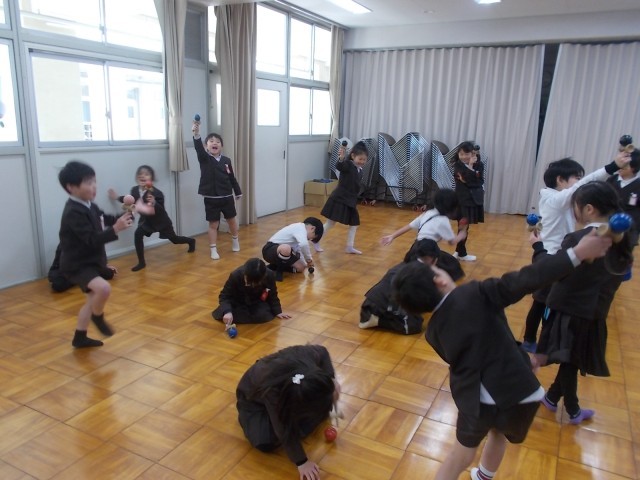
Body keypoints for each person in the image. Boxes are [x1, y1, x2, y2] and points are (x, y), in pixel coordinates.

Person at [391, 228, 613, 480]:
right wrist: (577, 253)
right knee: (499, 434)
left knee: (460, 455)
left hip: (473, 400)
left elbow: (473, 352)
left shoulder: (432, 332)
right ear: (439, 281)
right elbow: (527, 278)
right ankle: (484, 476)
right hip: (517, 392)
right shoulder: (476, 293)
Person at [534, 181, 633, 425]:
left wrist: (537, 247)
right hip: (595, 310)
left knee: (570, 359)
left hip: (568, 309)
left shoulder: (579, 238)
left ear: (589, 209)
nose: (574, 212)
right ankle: (552, 398)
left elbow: (556, 270)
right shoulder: (623, 240)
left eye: (575, 207)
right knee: (573, 356)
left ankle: (573, 410)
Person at [521, 151, 632, 352]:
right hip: (549, 256)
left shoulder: (560, 200)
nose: (580, 182)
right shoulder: (553, 199)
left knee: (548, 303)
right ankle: (530, 340)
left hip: (562, 255)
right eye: (577, 178)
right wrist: (611, 167)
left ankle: (545, 341)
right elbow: (581, 188)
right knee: (541, 302)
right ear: (560, 180)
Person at [57, 160, 133, 348]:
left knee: (91, 300)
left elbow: (107, 219)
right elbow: (91, 239)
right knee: (103, 289)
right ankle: (97, 317)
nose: (94, 186)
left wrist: (128, 213)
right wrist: (116, 228)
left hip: (91, 261)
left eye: (94, 181)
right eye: (88, 182)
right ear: (71, 187)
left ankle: (80, 337)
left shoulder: (90, 205)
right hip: (76, 264)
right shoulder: (73, 212)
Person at [236, 344, 340, 480]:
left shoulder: (308, 356)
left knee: (321, 410)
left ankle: (308, 416)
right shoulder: (272, 390)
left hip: (282, 390)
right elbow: (282, 426)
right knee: (264, 441)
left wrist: (331, 380)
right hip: (254, 404)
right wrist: (301, 462)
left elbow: (323, 351)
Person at [360, 238, 463, 334]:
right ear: (432, 259)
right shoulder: (415, 272)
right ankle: (376, 319)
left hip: (377, 302)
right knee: (413, 326)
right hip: (374, 307)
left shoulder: (413, 264)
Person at [108, 165, 195, 272]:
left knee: (175, 240)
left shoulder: (157, 193)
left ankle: (191, 241)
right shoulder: (134, 190)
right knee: (138, 234)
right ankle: (141, 263)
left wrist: (154, 202)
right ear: (137, 177)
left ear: (152, 179)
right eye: (140, 174)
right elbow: (129, 201)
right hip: (147, 222)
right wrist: (116, 197)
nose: (142, 176)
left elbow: (160, 210)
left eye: (146, 174)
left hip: (161, 221)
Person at [380, 188, 466, 274]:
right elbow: (451, 242)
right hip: (428, 250)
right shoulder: (443, 220)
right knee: (451, 266)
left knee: (413, 269)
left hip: (416, 247)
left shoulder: (428, 213)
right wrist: (461, 234)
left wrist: (392, 236)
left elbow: (409, 226)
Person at [192, 120, 242, 260]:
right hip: (211, 198)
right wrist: (196, 133)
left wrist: (237, 191)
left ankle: (235, 239)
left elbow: (231, 177)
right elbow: (198, 148)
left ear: (221, 146)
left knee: (232, 221)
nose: (215, 143)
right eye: (211, 141)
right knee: (213, 224)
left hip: (227, 197)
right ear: (206, 146)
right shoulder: (204, 158)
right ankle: (213, 249)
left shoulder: (226, 160)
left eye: (218, 142)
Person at [315, 141, 368, 254]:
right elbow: (340, 166)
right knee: (330, 223)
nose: (362, 162)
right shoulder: (348, 165)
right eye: (360, 159)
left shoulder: (360, 170)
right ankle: (316, 240)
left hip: (350, 201)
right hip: (339, 199)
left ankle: (349, 247)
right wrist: (341, 158)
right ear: (353, 156)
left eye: (364, 160)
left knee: (354, 224)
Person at [212, 258, 291, 328]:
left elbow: (272, 294)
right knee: (228, 313)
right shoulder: (235, 275)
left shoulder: (269, 275)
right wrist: (227, 312)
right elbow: (224, 296)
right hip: (238, 302)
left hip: (256, 302)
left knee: (263, 315)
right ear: (245, 273)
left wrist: (278, 311)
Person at [451, 141, 484, 262]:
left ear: (473, 153)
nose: (464, 156)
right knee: (463, 226)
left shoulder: (479, 164)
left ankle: (459, 251)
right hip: (461, 199)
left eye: (466, 154)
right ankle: (461, 253)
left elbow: (480, 182)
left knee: (464, 226)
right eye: (461, 154)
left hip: (473, 200)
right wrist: (470, 167)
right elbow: (466, 180)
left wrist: (468, 181)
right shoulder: (458, 166)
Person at [262, 217, 324, 281]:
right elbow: (304, 245)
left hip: (282, 254)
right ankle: (279, 272)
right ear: (312, 228)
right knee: (286, 248)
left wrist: (306, 264)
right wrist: (309, 260)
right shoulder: (299, 228)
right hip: (269, 250)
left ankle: (273, 266)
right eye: (313, 237)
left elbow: (299, 250)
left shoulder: (299, 236)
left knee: (301, 267)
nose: (310, 239)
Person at [606, 148, 640, 246]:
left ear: (633, 168)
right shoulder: (611, 180)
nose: (620, 167)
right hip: (609, 226)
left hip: (630, 228)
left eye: (625, 165)